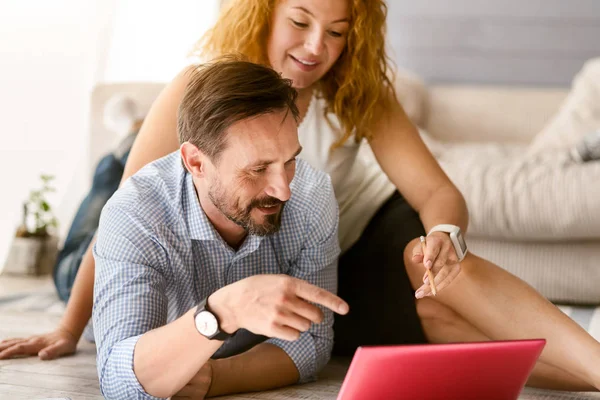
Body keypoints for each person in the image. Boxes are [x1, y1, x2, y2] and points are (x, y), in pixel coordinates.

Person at [2, 0, 600, 393]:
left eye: (338, 32)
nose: (317, 46)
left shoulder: (349, 108)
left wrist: (444, 234)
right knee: (104, 216)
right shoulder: (201, 91)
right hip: (201, 210)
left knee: (436, 285)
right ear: (264, 12)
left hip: (336, 243)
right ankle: (130, 145)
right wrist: (70, 325)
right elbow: (127, 218)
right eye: (301, 21)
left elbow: (438, 192)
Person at [93, 58, 349, 399]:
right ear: (196, 162)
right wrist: (223, 311)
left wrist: (217, 377)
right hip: (127, 227)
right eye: (258, 169)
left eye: (289, 161)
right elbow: (118, 381)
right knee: (79, 244)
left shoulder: (310, 195)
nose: (284, 190)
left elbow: (313, 342)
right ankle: (129, 135)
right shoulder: (135, 213)